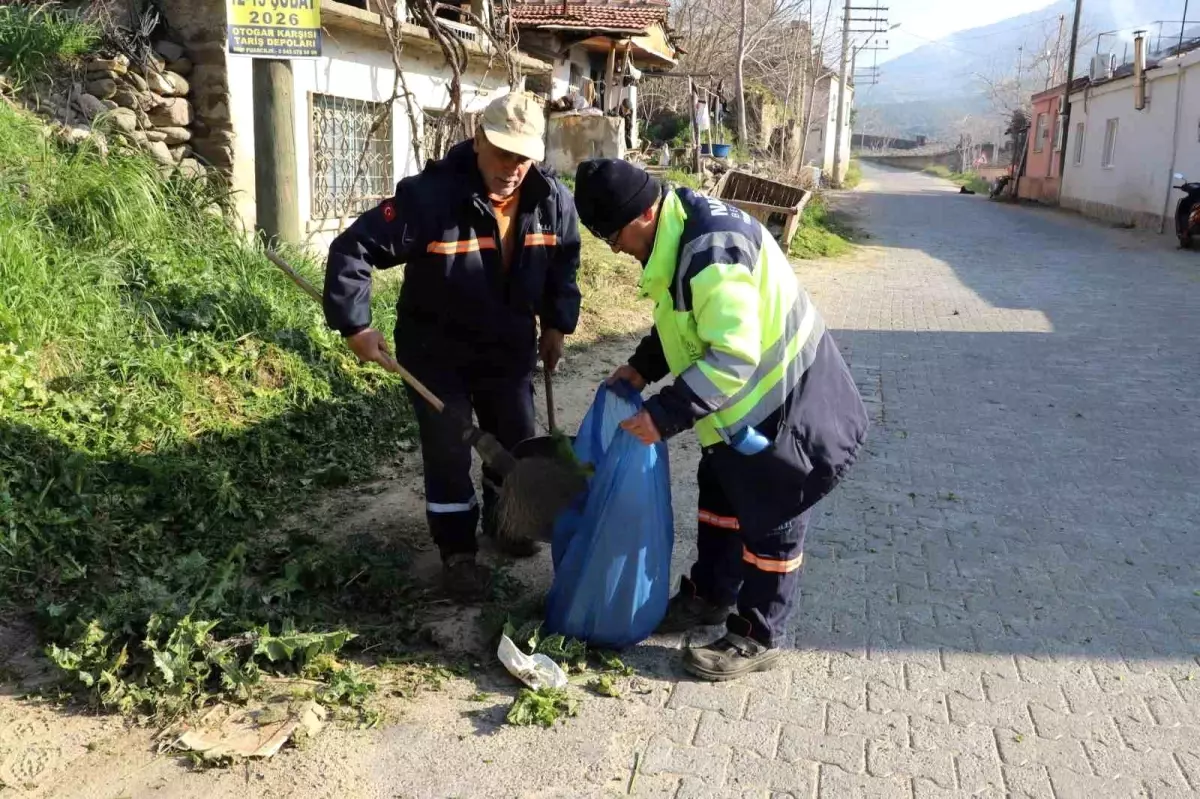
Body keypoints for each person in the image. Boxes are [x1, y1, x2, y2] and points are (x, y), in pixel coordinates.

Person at [572, 159, 869, 681]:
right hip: (739, 411)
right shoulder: (678, 225)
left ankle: (759, 633)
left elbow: (733, 357)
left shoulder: (711, 249)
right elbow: (688, 318)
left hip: (788, 404)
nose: (616, 249)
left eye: (614, 235)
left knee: (774, 517)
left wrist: (664, 415)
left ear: (643, 212)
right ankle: (710, 594)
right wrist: (644, 368)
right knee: (720, 496)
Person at [323, 92, 582, 601]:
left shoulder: (550, 199)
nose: (513, 168)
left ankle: (506, 524)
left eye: (523, 156)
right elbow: (353, 249)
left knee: (513, 439)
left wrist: (557, 323)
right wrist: (355, 326)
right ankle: (458, 551)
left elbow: (563, 264)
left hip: (507, 344)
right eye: (503, 153)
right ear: (479, 139)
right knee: (448, 447)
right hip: (435, 348)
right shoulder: (430, 198)